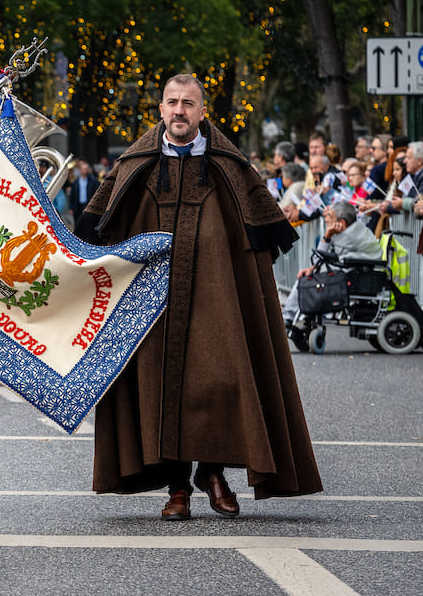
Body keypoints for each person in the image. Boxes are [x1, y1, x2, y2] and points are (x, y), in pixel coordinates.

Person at [75, 73, 322, 520]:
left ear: (202, 111)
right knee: (159, 387)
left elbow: (261, 236)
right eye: (172, 102)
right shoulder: (137, 164)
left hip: (216, 299)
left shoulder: (230, 166)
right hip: (152, 307)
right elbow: (96, 228)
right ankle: (176, 489)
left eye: (188, 103)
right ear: (160, 109)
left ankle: (212, 474)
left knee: (220, 380)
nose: (179, 111)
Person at [281, 201, 382, 346]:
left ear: (341, 222)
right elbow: (322, 259)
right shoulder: (350, 231)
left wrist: (328, 235)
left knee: (305, 282)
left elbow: (319, 257)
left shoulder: (348, 237)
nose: (326, 218)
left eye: (330, 216)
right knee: (307, 277)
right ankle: (290, 319)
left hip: (352, 275)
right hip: (349, 271)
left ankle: (287, 319)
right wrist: (313, 268)